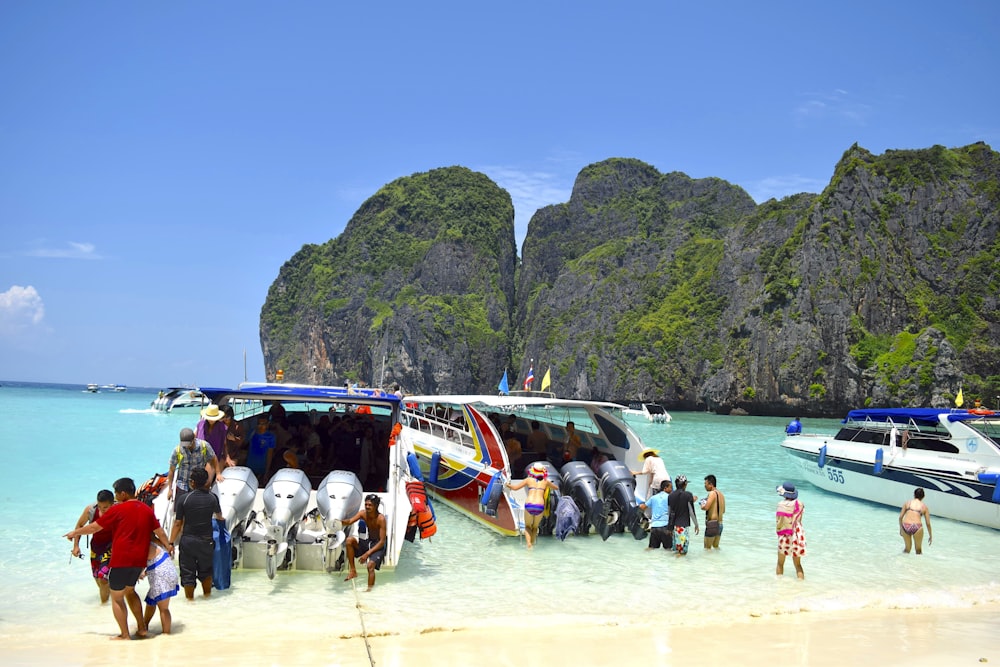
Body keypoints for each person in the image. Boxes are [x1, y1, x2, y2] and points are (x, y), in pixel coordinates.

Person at [63, 477, 173, 640]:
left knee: (116, 598)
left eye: (116, 493)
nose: (115, 496)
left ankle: (125, 635)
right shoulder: (146, 509)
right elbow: (160, 532)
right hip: (139, 562)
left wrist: (75, 533)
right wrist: (168, 546)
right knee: (130, 591)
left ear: (123, 494)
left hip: (121, 560)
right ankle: (142, 628)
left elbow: (95, 527)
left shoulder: (117, 509)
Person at [169, 467, 223, 599]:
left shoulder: (184, 499)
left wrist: (170, 542)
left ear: (192, 482)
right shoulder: (212, 498)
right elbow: (220, 516)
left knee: (188, 573)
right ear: (206, 482)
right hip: (206, 540)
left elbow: (178, 523)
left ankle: (190, 601)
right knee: (206, 571)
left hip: (188, 541)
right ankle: (207, 597)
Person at [71, 489, 115, 603]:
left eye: (105, 507)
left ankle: (104, 605)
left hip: (111, 547)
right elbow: (80, 525)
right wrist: (76, 546)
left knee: (103, 578)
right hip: (96, 547)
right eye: (100, 506)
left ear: (112, 503)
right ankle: (108, 597)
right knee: (97, 578)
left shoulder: (118, 510)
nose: (102, 510)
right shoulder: (90, 510)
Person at [505, 463, 560, 549]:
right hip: (540, 505)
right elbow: (556, 488)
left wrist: (507, 485)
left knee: (527, 526)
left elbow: (515, 488)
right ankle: (532, 544)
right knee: (535, 527)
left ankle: (529, 545)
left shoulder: (528, 480)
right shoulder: (545, 481)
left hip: (529, 504)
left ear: (533, 471)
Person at [343, 494, 387, 591]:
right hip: (368, 542)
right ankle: (353, 571)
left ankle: (369, 591)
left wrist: (367, 554)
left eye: (370, 505)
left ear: (376, 506)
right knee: (349, 540)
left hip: (378, 544)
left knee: (370, 565)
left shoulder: (381, 519)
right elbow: (350, 521)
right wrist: (339, 521)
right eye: (366, 504)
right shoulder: (363, 513)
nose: (367, 507)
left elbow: (382, 541)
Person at [167, 427, 221, 501]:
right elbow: (171, 470)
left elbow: (214, 458)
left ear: (193, 439)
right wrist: (170, 489)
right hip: (182, 484)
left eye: (188, 444)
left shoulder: (204, 446)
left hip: (198, 484)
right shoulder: (177, 450)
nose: (186, 446)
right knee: (180, 507)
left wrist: (218, 473)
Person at [140, 540, 178, 633]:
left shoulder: (144, 545)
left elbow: (142, 561)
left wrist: (139, 573)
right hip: (167, 572)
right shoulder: (153, 542)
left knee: (163, 608)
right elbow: (153, 560)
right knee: (151, 600)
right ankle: (144, 626)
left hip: (162, 576)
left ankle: (166, 634)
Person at [776, 482, 806, 579]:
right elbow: (799, 520)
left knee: (780, 563)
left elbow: (779, 522)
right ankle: (801, 586)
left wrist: (779, 533)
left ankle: (778, 584)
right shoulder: (800, 504)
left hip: (785, 534)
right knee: (797, 564)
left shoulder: (780, 505)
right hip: (798, 535)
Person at [637, 479, 673, 551]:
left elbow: (643, 507)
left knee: (651, 548)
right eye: (670, 487)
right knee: (668, 550)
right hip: (665, 526)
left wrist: (637, 505)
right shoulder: (669, 497)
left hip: (654, 527)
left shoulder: (653, 497)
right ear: (665, 488)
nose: (672, 489)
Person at [668, 475, 698, 556]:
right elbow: (691, 511)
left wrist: (669, 527)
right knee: (682, 553)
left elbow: (669, 513)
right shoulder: (688, 495)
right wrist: (696, 525)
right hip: (683, 528)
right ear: (685, 484)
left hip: (674, 527)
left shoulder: (671, 496)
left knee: (676, 551)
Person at [899, 487, 933, 554]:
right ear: (923, 497)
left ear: (914, 495)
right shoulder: (924, 507)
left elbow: (900, 517)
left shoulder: (907, 503)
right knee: (918, 550)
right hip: (917, 527)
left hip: (906, 525)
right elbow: (928, 523)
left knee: (907, 549)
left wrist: (901, 529)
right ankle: (918, 564)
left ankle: (901, 563)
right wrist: (930, 535)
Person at [246, 414, 277, 481]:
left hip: (262, 469)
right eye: (259, 424)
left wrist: (267, 472)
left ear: (268, 424)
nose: (261, 426)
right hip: (250, 467)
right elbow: (244, 444)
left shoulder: (271, 437)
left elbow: (270, 454)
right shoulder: (252, 432)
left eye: (263, 424)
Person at [701, 475, 726, 549]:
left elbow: (706, 507)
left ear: (711, 484)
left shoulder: (712, 493)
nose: (704, 486)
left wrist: (702, 505)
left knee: (707, 548)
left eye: (705, 484)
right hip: (720, 524)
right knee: (716, 547)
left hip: (712, 524)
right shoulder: (721, 494)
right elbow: (723, 511)